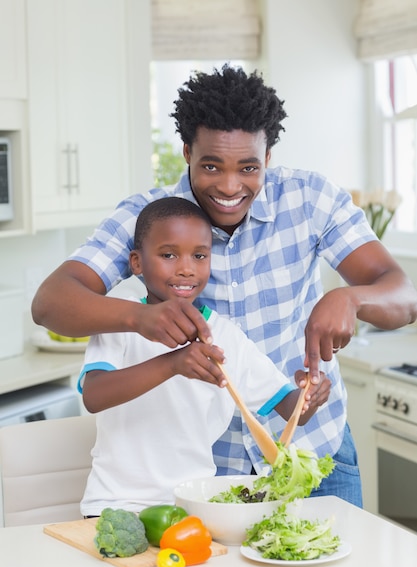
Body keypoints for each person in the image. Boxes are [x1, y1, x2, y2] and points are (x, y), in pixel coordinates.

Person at [32, 64, 417, 507]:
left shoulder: (310, 199)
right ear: (186, 152)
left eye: (249, 167)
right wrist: (141, 319)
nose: (230, 186)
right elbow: (50, 303)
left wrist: (351, 298)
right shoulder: (150, 219)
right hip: (207, 481)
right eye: (211, 165)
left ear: (268, 157)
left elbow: (402, 295)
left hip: (313, 456)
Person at [77, 197, 331, 514]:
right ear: (137, 262)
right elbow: (94, 396)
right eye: (168, 255)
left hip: (193, 506)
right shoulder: (119, 319)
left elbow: (293, 409)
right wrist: (173, 364)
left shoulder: (226, 337)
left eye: (199, 256)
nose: (186, 269)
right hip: (113, 505)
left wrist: (311, 392)